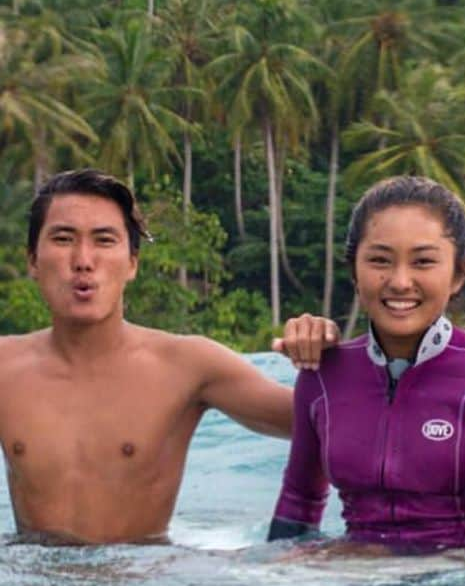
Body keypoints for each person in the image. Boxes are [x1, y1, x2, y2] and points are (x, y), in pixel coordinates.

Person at [268, 175, 465, 550]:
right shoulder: (322, 377)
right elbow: (299, 505)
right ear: (354, 270)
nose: (399, 281)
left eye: (423, 262)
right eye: (380, 260)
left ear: (459, 274)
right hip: (358, 571)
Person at [0, 169, 293, 545]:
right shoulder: (6, 370)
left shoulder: (190, 366)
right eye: (62, 238)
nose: (83, 260)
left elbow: (327, 424)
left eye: (104, 240)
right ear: (33, 261)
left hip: (143, 584)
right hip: (33, 585)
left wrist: (329, 352)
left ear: (133, 263)